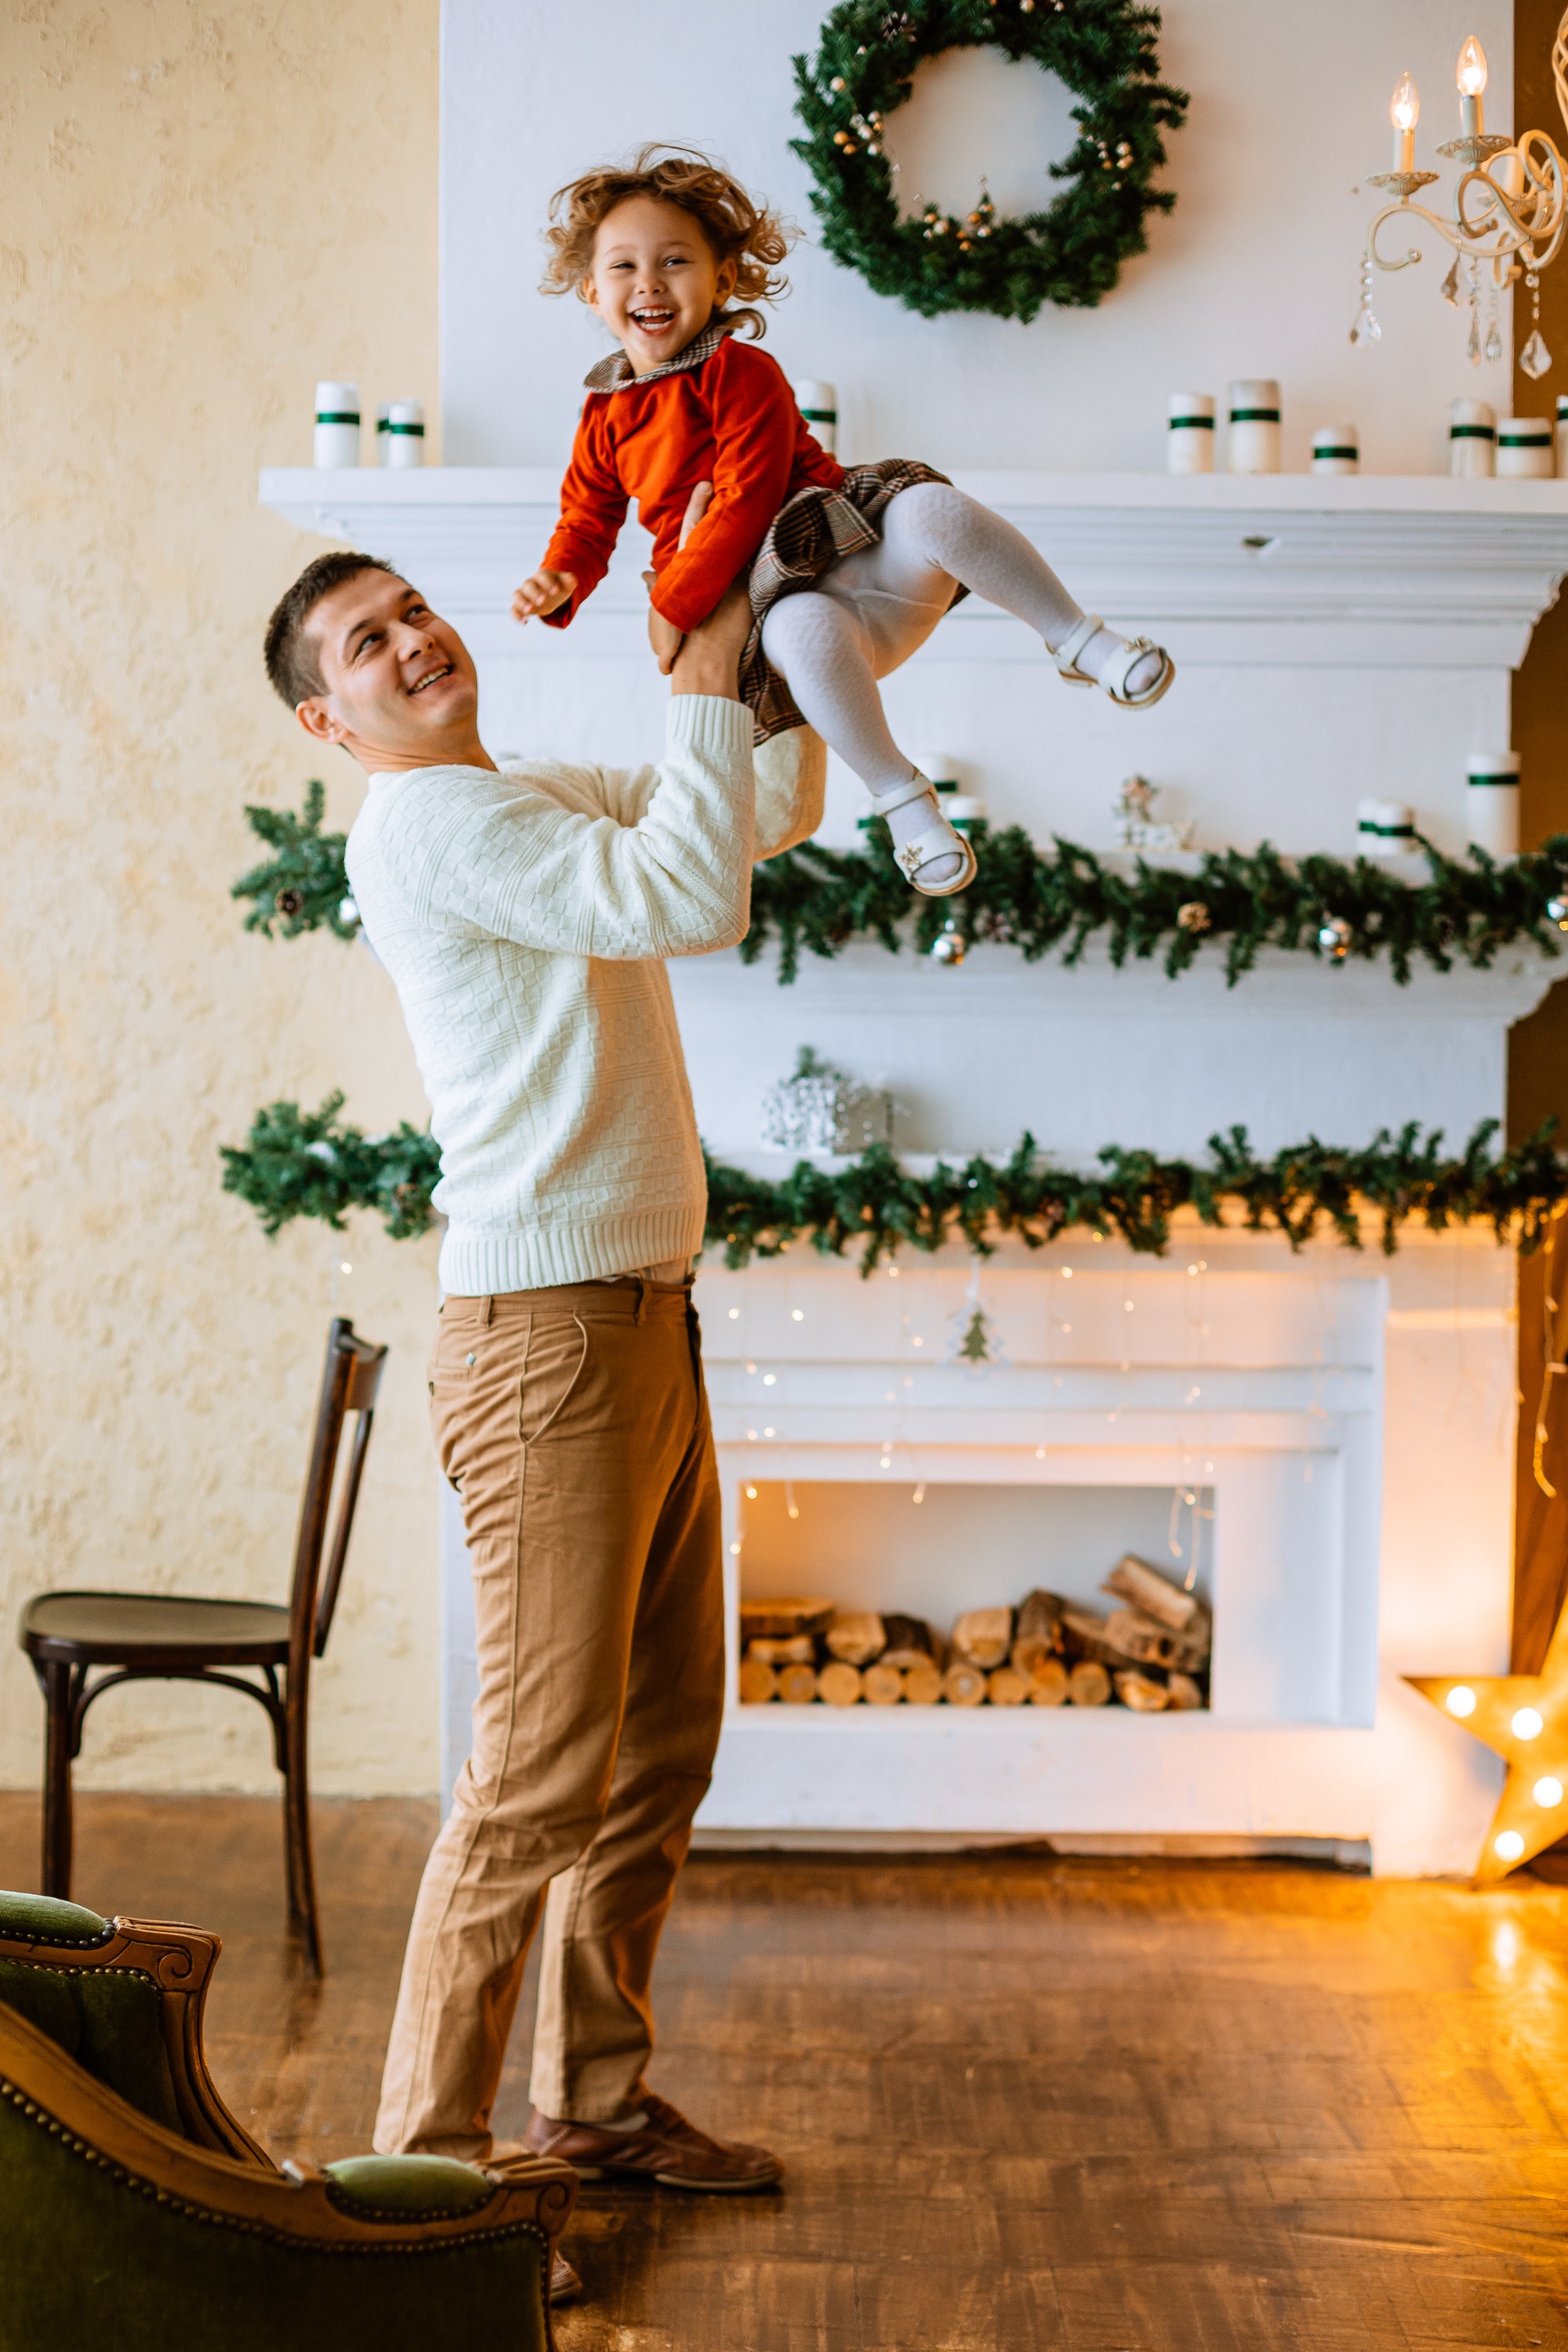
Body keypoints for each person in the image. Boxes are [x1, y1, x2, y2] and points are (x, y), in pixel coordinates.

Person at [261, 502, 804, 2277]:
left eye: (412, 606)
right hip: (550, 1341)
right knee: (534, 1781)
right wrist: (708, 662)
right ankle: (423, 2186)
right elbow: (690, 899)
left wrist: (832, 630)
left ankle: (592, 2099)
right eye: (368, 642)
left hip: (640, 1317)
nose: (414, 636)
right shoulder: (429, 824)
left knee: (657, 1751)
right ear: (329, 724)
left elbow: (750, 815)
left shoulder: (525, 787)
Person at [514, 144, 1174, 898]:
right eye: (624, 267)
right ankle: (905, 803)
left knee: (930, 505)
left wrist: (671, 606)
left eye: (675, 261)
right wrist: (560, 577)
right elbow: (588, 515)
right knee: (799, 628)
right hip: (789, 608)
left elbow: (747, 496)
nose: (650, 283)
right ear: (592, 291)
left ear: (722, 279)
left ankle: (1075, 637)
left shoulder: (739, 370)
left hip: (852, 547)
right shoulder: (602, 414)